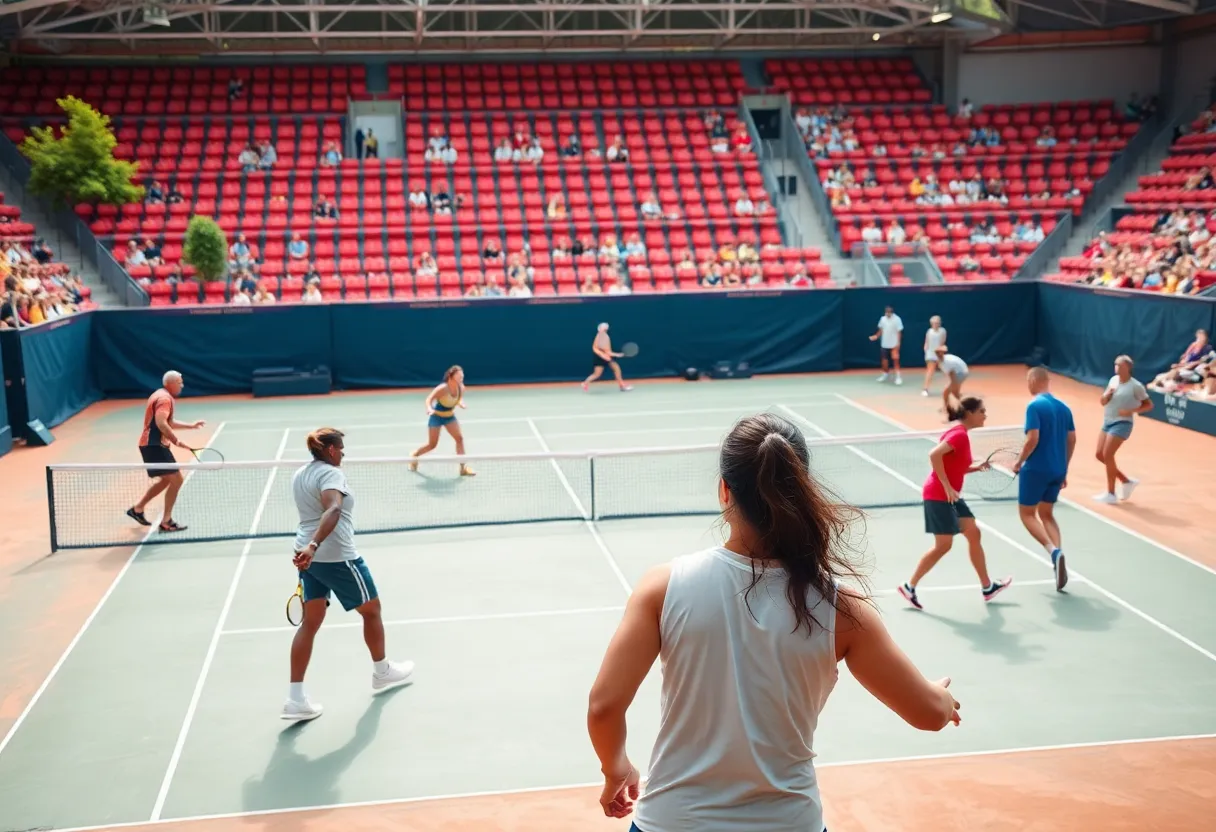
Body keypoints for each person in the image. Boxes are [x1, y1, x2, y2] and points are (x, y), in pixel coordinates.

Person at [587, 413, 961, 830]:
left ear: (724, 490)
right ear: (802, 489)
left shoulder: (662, 587)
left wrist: (616, 767)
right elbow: (928, 714)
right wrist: (942, 698)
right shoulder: (843, 608)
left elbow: (604, 707)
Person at [285, 427, 414, 721]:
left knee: (310, 622)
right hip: (335, 556)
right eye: (341, 449)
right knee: (372, 610)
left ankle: (295, 699)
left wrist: (309, 548)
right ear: (330, 450)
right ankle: (382, 671)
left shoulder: (301, 473)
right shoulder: (331, 474)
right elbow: (333, 509)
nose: (343, 453)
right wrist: (315, 545)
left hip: (308, 558)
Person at [898, 396, 1012, 609]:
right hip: (939, 495)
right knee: (943, 546)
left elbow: (954, 465)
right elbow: (934, 455)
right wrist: (948, 486)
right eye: (982, 411)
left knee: (973, 533)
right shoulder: (959, 435)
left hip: (950, 497)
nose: (985, 415)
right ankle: (909, 586)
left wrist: (976, 468)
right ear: (970, 413)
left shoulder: (960, 434)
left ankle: (987, 587)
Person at [1013, 368, 1076, 591]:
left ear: (1033, 380)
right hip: (1057, 469)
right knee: (1047, 514)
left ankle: (1053, 551)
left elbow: (1033, 439)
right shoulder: (1064, 408)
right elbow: (1072, 439)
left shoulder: (1034, 406)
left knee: (1027, 514)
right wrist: (1064, 469)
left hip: (1036, 469)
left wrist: (1019, 462)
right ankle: (1058, 560)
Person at [126, 370, 206, 533]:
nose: (182, 386)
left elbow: (169, 422)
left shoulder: (160, 395)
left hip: (151, 445)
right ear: (170, 383)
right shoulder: (164, 399)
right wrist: (176, 441)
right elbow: (161, 423)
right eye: (179, 383)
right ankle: (166, 521)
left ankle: (137, 509)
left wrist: (190, 426)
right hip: (154, 445)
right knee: (177, 479)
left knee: (166, 480)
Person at [1094, 354, 1152, 504]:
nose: (1116, 367)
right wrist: (1107, 395)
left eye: (1119, 365)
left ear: (1128, 368)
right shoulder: (1113, 380)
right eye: (1115, 364)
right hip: (1107, 421)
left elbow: (1148, 405)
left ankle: (1111, 494)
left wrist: (1130, 411)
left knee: (1108, 454)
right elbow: (1102, 402)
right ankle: (1126, 481)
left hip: (1122, 423)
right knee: (1099, 455)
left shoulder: (1136, 386)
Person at [409, 365, 476, 477]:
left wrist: (460, 403)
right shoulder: (443, 388)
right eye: (459, 375)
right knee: (432, 445)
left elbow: (458, 398)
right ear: (451, 376)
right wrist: (429, 408)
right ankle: (415, 455)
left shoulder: (461, 388)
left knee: (459, 439)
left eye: (462, 375)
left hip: (449, 417)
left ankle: (463, 468)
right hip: (436, 417)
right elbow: (429, 399)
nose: (462, 377)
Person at [582, 322, 633, 392]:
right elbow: (605, 351)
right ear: (600, 329)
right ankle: (585, 383)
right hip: (601, 358)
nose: (604, 329)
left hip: (604, 357)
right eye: (603, 328)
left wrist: (613, 354)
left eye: (605, 328)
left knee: (616, 369)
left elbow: (601, 349)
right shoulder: (602, 336)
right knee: (597, 374)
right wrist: (617, 354)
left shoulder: (602, 336)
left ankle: (622, 386)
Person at [868, 304, 904, 384]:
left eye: (889, 312)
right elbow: (881, 330)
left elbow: (899, 332)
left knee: (895, 360)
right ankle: (885, 374)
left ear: (892, 312)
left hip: (894, 344)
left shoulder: (897, 319)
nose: (887, 313)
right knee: (884, 361)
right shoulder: (882, 319)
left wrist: (898, 343)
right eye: (886, 312)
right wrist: (876, 336)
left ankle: (898, 377)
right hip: (884, 344)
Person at [936, 346, 969, 416]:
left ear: (942, 353)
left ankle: (946, 408)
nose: (938, 354)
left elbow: (953, 377)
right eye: (937, 352)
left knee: (946, 392)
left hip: (961, 373)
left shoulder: (947, 363)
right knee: (955, 392)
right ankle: (966, 406)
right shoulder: (943, 361)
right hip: (962, 371)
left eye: (939, 352)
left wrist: (953, 386)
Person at [922, 315, 947, 397]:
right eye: (934, 323)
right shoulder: (929, 331)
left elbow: (943, 342)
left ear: (940, 323)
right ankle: (925, 389)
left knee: (947, 371)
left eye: (937, 323)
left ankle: (951, 389)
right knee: (930, 371)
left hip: (939, 354)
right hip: (930, 354)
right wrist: (926, 351)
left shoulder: (943, 331)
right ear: (931, 323)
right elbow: (926, 342)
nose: (935, 324)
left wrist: (940, 352)